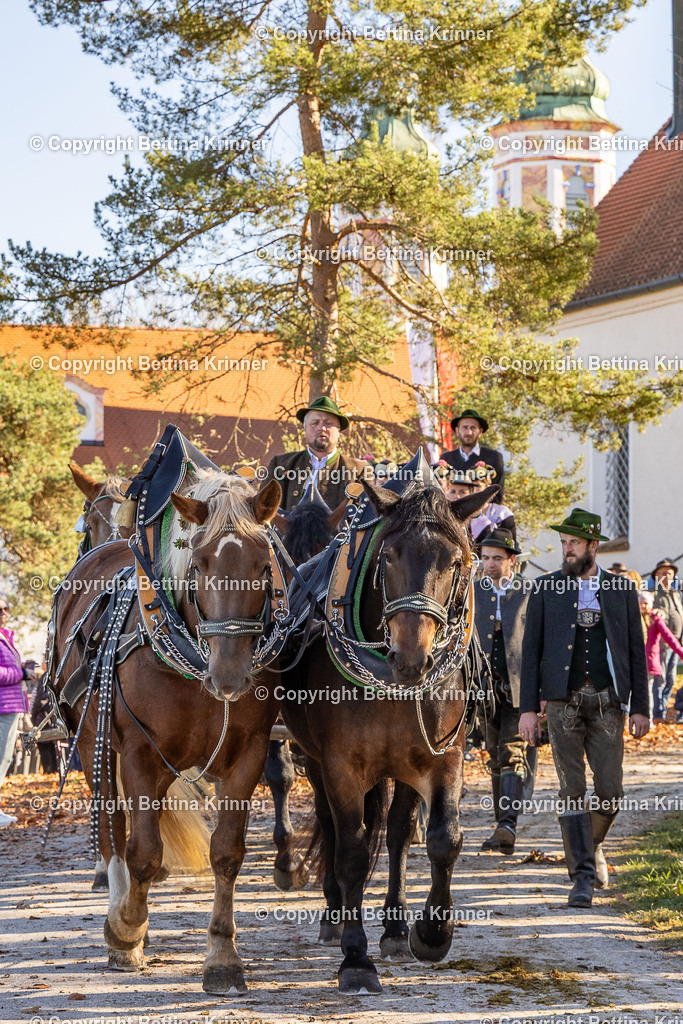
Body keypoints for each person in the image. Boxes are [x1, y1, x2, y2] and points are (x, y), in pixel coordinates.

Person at [519, 508, 650, 909]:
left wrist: (641, 707)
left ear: (594, 545)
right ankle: (581, 878)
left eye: (574, 542)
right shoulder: (545, 589)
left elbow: (635, 652)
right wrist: (528, 708)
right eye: (563, 542)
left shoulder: (621, 590)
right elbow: (531, 651)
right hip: (562, 704)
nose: (567, 549)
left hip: (609, 703)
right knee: (572, 789)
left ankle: (587, 848)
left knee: (610, 791)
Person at [475, 529, 531, 854]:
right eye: (485, 558)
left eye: (497, 558)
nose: (490, 564)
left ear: (512, 560)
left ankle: (508, 822)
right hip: (484, 688)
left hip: (520, 687)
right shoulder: (474, 590)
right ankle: (502, 828)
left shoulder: (529, 592)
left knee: (512, 750)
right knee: (494, 754)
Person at [260, 397, 369, 511]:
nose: (321, 428)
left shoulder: (358, 470)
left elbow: (366, 514)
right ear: (305, 429)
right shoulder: (280, 464)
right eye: (314, 423)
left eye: (328, 423)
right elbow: (263, 507)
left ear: (338, 431)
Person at [0, 596, 29, 826]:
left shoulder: (5, 638)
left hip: (11, 706)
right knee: (1, 757)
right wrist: (23, 674)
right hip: (3, 707)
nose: (3, 612)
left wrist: (23, 667)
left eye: (5, 608)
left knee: (5, 757)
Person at [638, 592, 683, 723]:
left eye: (646, 603)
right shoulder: (634, 618)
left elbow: (669, 637)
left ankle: (649, 718)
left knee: (649, 691)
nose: (643, 605)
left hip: (650, 661)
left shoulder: (656, 619)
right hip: (634, 661)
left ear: (650, 604)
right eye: (641, 602)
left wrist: (680, 652)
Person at [441, 409, 505, 497]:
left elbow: (497, 494)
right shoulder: (447, 458)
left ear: (480, 431)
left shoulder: (493, 457)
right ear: (457, 430)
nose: (469, 432)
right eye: (465, 427)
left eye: (473, 428)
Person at [648, 560, 683, 723]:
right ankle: (658, 714)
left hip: (676, 644)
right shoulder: (653, 594)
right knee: (659, 682)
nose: (666, 576)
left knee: (671, 679)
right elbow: (648, 613)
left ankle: (661, 709)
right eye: (662, 573)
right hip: (661, 646)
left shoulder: (675, 594)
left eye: (669, 573)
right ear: (656, 576)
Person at [469, 463, 516, 546]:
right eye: (471, 486)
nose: (474, 490)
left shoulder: (502, 513)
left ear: (487, 487)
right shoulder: (465, 514)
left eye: (478, 485)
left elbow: (511, 543)